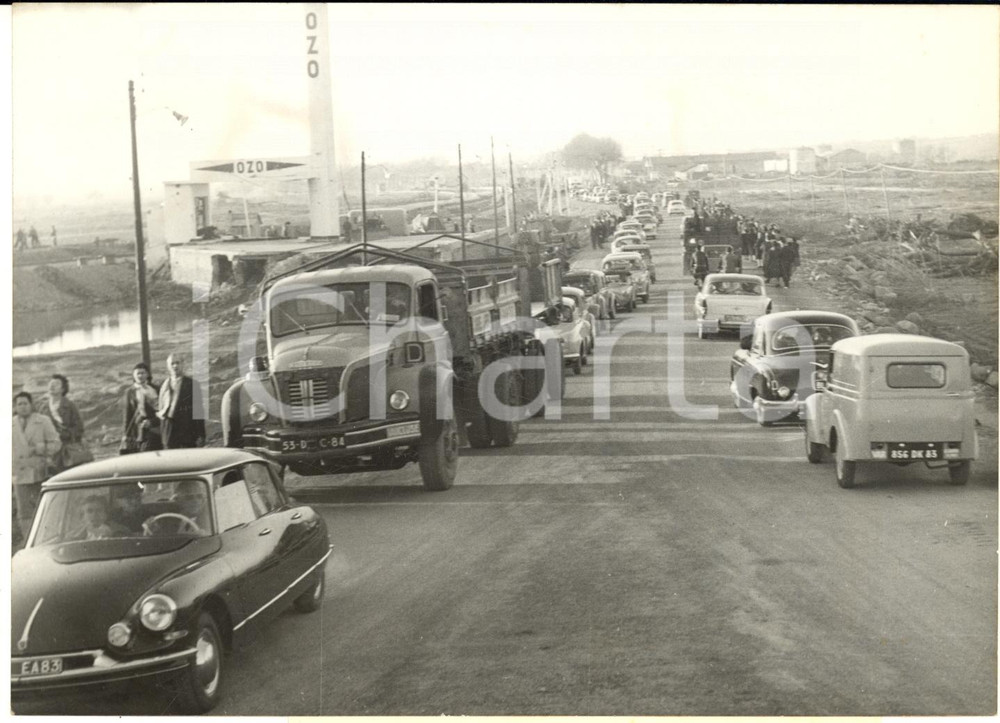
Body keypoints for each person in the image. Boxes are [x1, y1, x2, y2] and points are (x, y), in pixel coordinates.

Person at [13, 391, 62, 540]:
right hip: (18, 474)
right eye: (19, 404)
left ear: (31, 405)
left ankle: (47, 539)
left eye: (26, 403)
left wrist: (41, 448)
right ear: (15, 407)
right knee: (24, 513)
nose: (23, 407)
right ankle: (29, 541)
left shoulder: (43, 421)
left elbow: (57, 444)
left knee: (44, 507)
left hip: (39, 472)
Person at [37, 374, 86, 473]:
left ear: (63, 389)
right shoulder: (43, 407)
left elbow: (79, 428)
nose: (52, 386)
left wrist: (65, 435)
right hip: (51, 453)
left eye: (56, 384)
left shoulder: (70, 406)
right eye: (51, 383)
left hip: (67, 450)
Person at [157, 354, 205, 449]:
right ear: (168, 367)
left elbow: (198, 410)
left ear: (183, 364)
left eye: (177, 363)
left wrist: (201, 434)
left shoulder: (192, 384)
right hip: (169, 432)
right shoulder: (163, 386)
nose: (175, 366)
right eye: (172, 363)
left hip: (187, 432)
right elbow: (160, 411)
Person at [121, 362, 163, 454]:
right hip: (138, 430)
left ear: (147, 374)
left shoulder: (155, 389)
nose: (140, 376)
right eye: (137, 373)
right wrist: (125, 434)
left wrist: (153, 421)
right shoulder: (129, 392)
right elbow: (127, 415)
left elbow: (162, 410)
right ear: (133, 375)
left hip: (155, 427)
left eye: (143, 373)